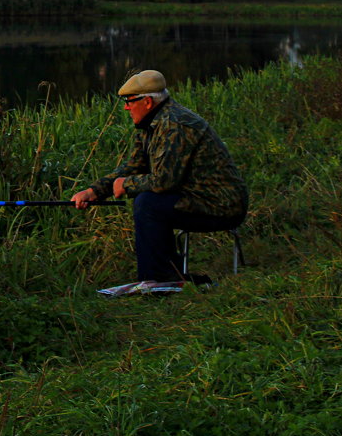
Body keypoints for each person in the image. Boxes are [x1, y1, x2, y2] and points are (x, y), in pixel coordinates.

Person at [70, 69, 248, 288]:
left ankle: (159, 280)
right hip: (195, 199)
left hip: (221, 205)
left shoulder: (175, 124)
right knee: (148, 200)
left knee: (148, 203)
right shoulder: (150, 125)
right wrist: (95, 191)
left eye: (129, 101)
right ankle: (165, 277)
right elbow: (134, 167)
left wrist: (126, 185)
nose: (126, 107)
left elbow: (165, 181)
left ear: (146, 102)